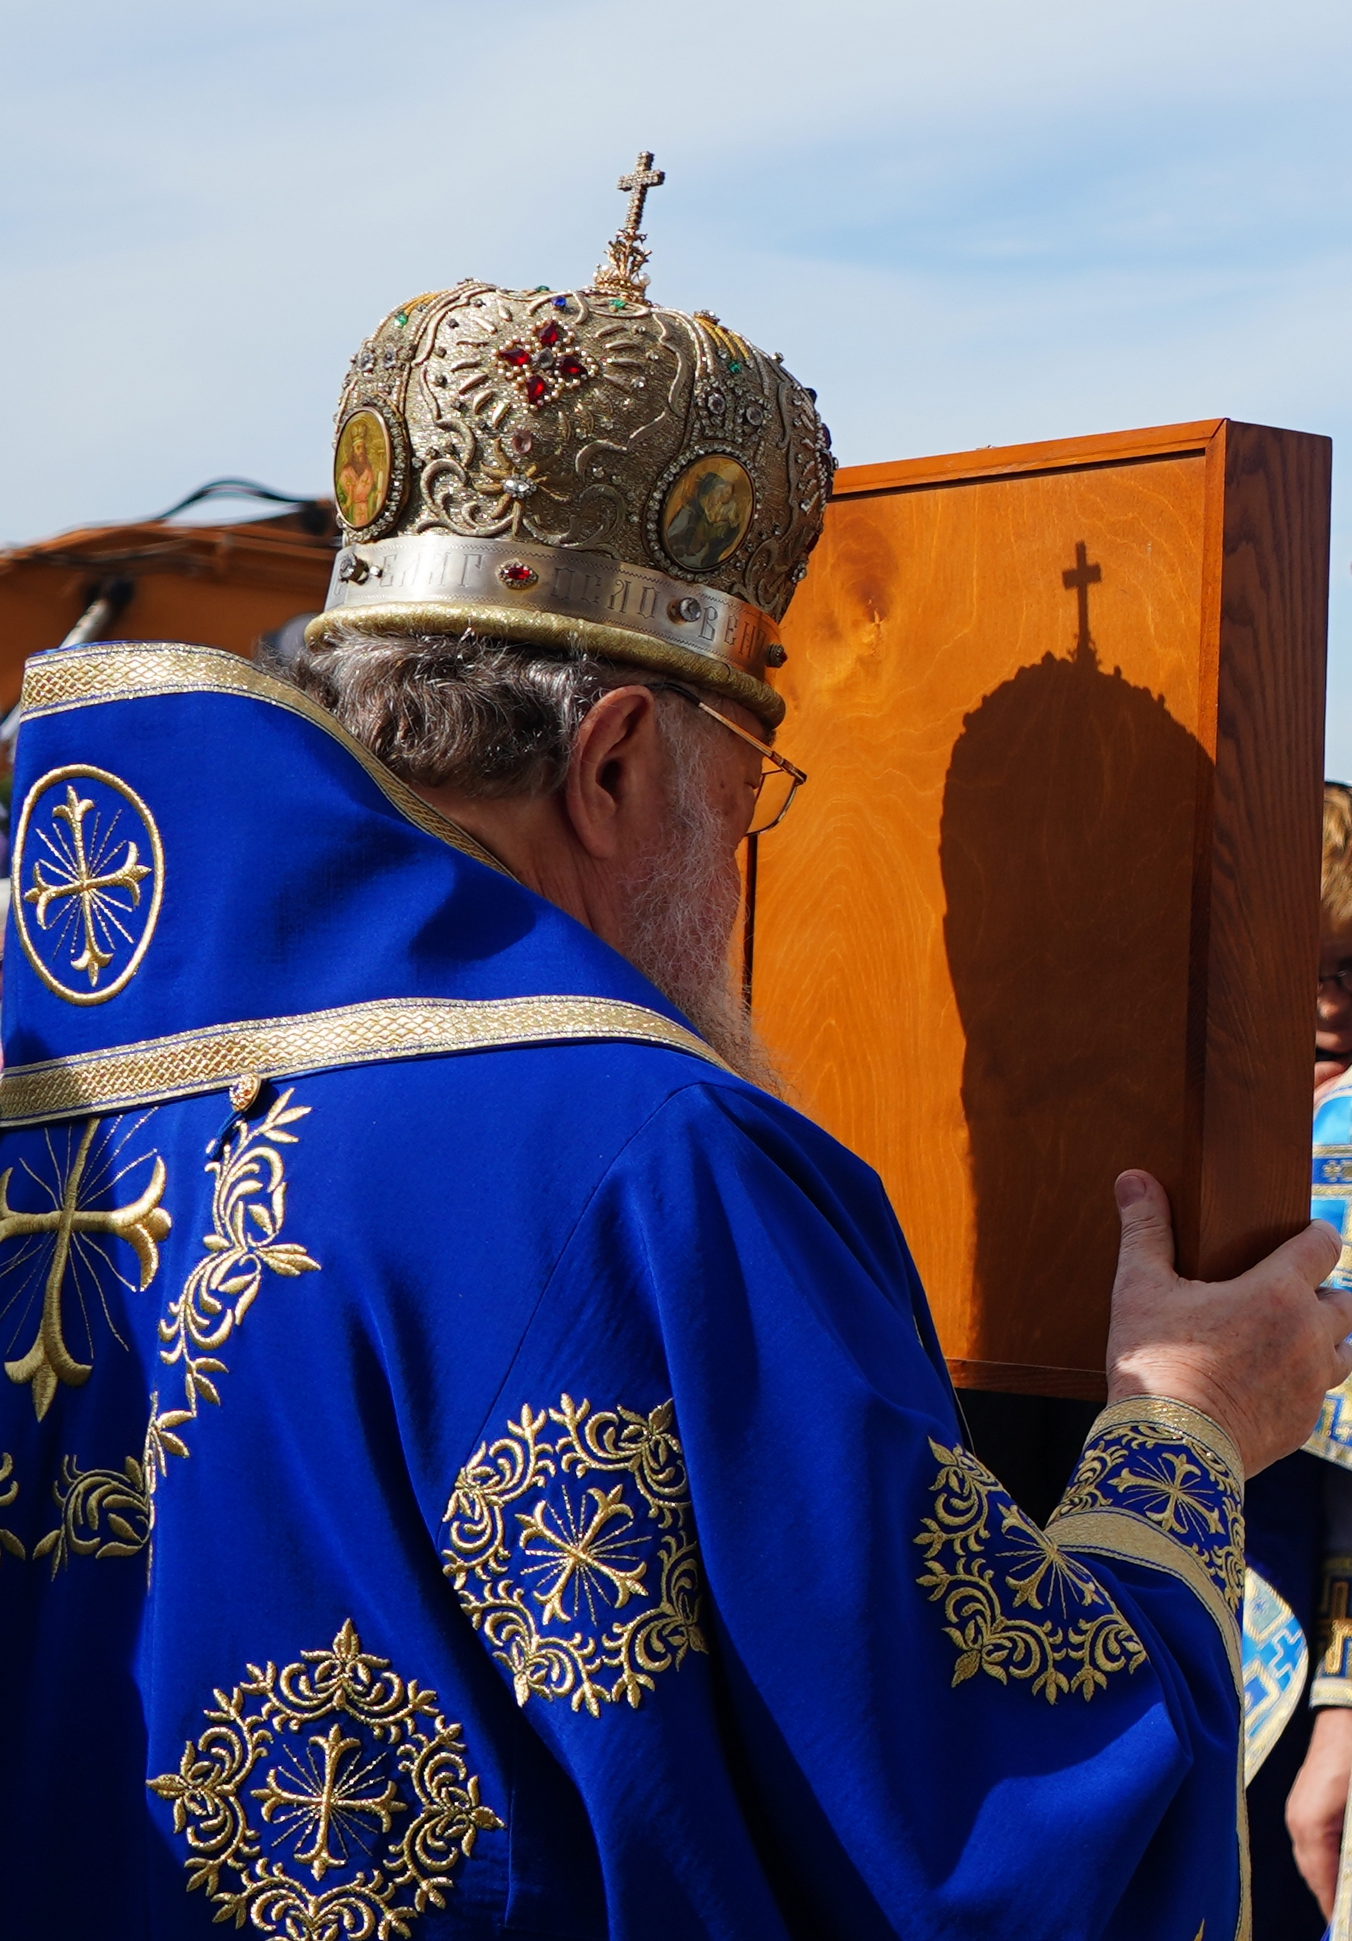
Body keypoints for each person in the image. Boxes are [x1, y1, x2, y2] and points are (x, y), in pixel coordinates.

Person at [2, 192, 1350, 1940]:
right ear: (623, 762)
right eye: (743, 798)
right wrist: (1179, 1428)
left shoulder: (56, 1080)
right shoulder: (648, 1153)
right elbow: (975, 1824)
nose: (736, 868)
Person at [1243, 781, 1352, 1932]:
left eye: (1351, 973)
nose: (1324, 1010)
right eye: (1301, 967)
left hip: (1283, 1647)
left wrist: (1340, 1709)